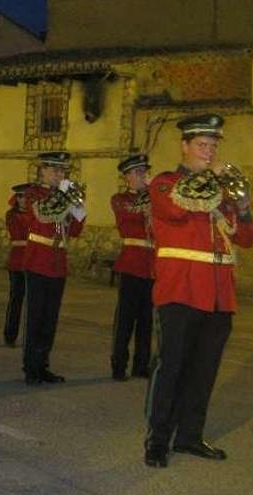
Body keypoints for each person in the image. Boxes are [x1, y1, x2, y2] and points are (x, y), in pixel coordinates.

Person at [143, 114, 253, 468]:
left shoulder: (221, 193)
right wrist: (215, 179)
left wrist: (242, 205)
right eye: (202, 145)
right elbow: (176, 211)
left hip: (219, 295)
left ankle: (190, 436)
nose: (209, 152)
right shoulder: (166, 183)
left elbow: (247, 238)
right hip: (180, 290)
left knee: (204, 370)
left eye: (213, 146)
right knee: (171, 367)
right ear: (185, 146)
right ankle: (157, 441)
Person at [22, 152, 86, 385]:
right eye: (55, 170)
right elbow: (43, 216)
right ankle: (30, 367)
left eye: (63, 171)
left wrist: (78, 205)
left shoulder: (64, 196)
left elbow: (76, 231)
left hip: (58, 262)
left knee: (50, 319)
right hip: (38, 260)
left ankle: (43, 364)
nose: (60, 175)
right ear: (43, 171)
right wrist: (63, 196)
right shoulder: (33, 194)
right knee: (36, 317)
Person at [110, 154, 155, 381]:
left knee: (147, 321)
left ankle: (141, 365)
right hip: (131, 264)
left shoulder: (154, 198)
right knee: (125, 319)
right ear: (127, 177)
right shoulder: (120, 199)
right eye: (137, 173)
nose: (143, 176)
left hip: (152, 266)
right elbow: (128, 216)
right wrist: (149, 203)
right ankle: (119, 364)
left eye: (144, 172)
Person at [3, 183, 32, 347]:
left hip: (34, 260)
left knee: (34, 303)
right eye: (20, 196)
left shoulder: (36, 214)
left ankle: (30, 337)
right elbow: (18, 233)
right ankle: (10, 335)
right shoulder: (12, 215)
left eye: (26, 196)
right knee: (16, 299)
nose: (23, 200)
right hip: (17, 260)